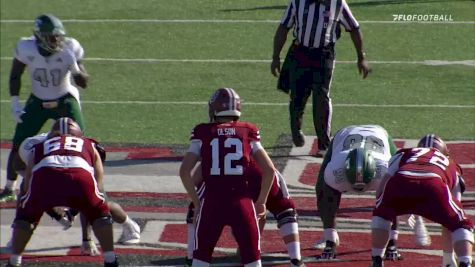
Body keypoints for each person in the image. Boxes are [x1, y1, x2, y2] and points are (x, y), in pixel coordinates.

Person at [179, 88, 275, 267]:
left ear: (214, 109)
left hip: (212, 203)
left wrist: (197, 203)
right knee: (253, 261)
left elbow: (184, 172)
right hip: (242, 203)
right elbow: (269, 170)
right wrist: (261, 201)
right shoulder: (248, 130)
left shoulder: (202, 131)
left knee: (200, 261)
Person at [5, 118, 118, 267]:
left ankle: (14, 261)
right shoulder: (89, 144)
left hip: (45, 175)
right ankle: (110, 259)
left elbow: (27, 181)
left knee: (26, 218)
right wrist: (84, 204)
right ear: (79, 134)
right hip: (80, 176)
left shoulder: (38, 145)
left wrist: (31, 203)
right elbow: (98, 182)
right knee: (100, 214)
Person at [0, 13, 89, 203]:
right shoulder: (26, 47)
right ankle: (9, 187)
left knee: (81, 143)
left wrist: (75, 67)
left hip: (65, 99)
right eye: (52, 36)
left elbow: (83, 83)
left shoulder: (69, 48)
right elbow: (15, 75)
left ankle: (87, 183)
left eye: (58, 36)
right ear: (40, 36)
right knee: (18, 142)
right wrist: (15, 103)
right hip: (38, 100)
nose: (57, 40)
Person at [12, 125, 141, 256]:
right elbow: (18, 165)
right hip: (49, 171)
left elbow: (96, 188)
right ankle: (20, 235)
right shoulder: (33, 145)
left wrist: (87, 238)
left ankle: (129, 225)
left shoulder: (86, 145)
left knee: (99, 204)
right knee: (29, 195)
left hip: (78, 171)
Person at [270, 0, 370, 156]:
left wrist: (361, 57)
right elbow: (284, 28)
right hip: (300, 52)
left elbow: (354, 28)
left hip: (324, 54)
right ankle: (296, 130)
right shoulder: (298, 2)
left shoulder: (337, 3)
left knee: (321, 96)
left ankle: (324, 144)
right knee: (297, 96)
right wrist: (276, 57)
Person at [370, 134, 473, 267]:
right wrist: (448, 257)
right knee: (460, 224)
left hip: (401, 180)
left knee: (381, 215)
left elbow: (381, 190)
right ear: (445, 152)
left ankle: (376, 259)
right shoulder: (451, 164)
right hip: (433, 184)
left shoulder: (404, 153)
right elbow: (450, 222)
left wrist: (391, 208)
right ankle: (465, 262)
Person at [184, 162, 304, 267]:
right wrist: (262, 200)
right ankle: (296, 259)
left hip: (226, 181)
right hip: (258, 169)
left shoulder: (211, 136)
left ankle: (191, 257)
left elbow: (195, 178)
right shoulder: (248, 135)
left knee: (196, 208)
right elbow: (269, 169)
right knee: (284, 208)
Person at [315, 125, 405, 260]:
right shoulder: (335, 169)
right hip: (344, 134)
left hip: (379, 134)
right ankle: (330, 239)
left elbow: (393, 202)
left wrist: (392, 242)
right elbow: (327, 199)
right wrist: (330, 240)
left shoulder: (385, 168)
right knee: (321, 189)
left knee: (393, 195)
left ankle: (391, 242)